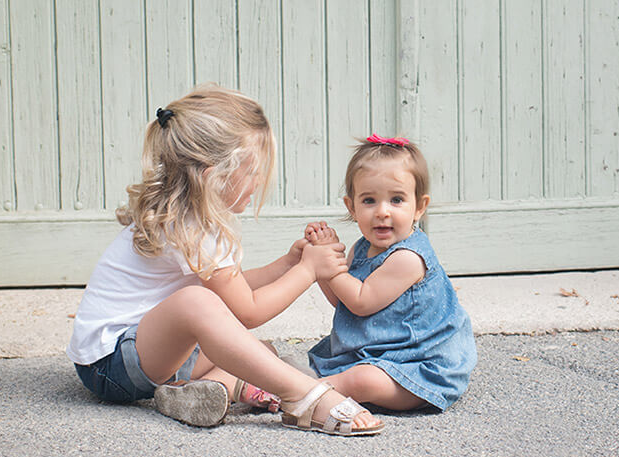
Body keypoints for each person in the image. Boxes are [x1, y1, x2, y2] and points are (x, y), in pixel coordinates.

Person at [66, 85, 383, 436]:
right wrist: (308, 271)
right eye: (252, 171)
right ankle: (304, 396)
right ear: (213, 175)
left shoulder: (194, 217)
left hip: (147, 354)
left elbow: (234, 288)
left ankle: (212, 388)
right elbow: (247, 310)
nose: (258, 181)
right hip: (109, 365)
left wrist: (288, 264)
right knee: (201, 305)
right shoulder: (191, 226)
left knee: (255, 352)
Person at [305, 135, 477, 412]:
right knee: (358, 374)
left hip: (418, 365)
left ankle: (304, 392)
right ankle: (311, 385)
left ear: (419, 207)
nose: (382, 212)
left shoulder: (408, 258)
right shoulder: (362, 248)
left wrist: (328, 268)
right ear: (352, 207)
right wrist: (325, 264)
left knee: (363, 380)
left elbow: (361, 302)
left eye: (396, 200)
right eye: (369, 200)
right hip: (377, 352)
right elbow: (343, 301)